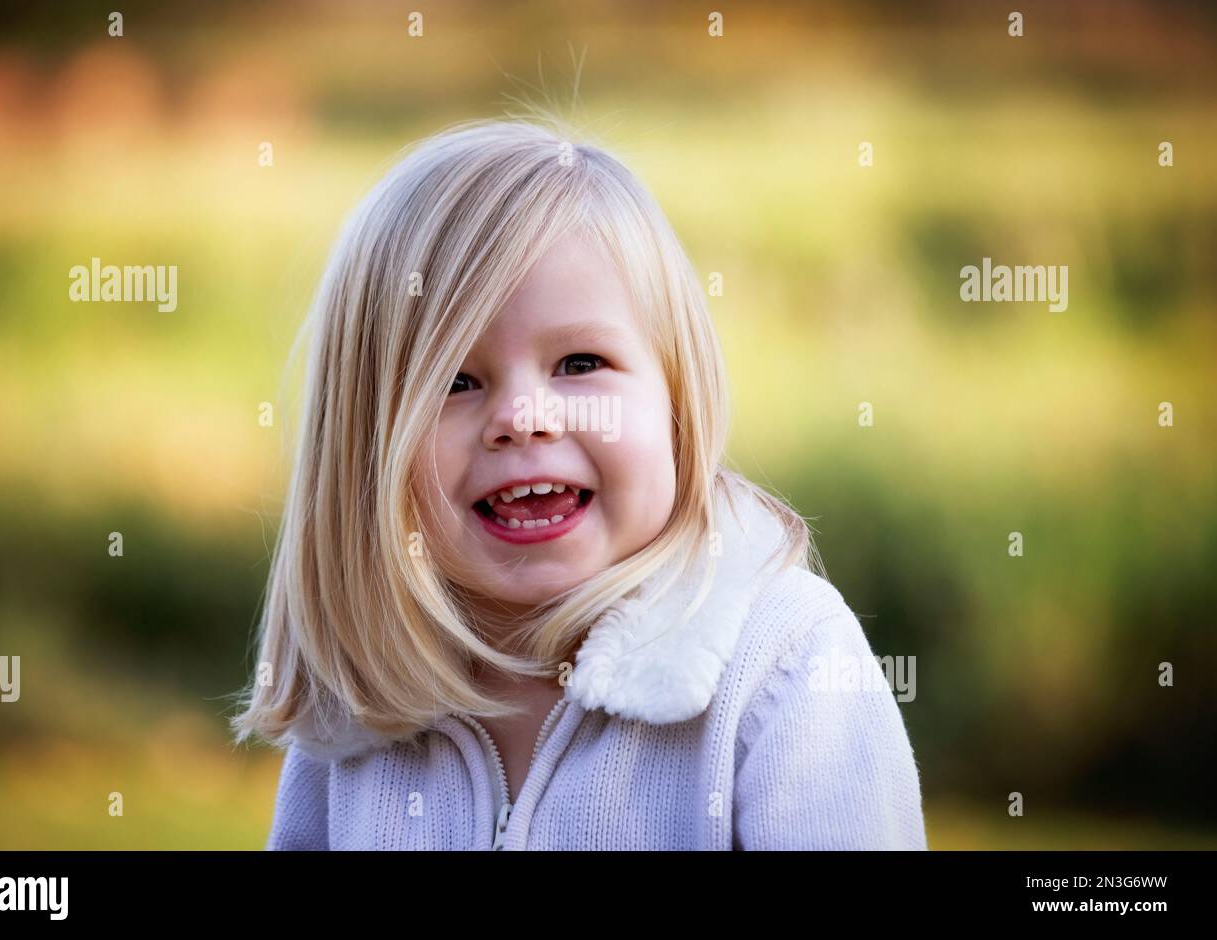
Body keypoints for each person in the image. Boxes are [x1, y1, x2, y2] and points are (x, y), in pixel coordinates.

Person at [231, 117, 927, 850]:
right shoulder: (359, 706)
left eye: (579, 364)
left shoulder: (784, 663)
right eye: (456, 381)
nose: (522, 419)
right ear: (363, 445)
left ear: (676, 397)